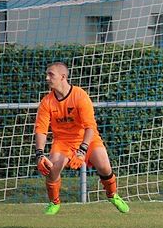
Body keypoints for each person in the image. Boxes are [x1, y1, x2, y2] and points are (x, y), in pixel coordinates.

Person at [34, 62, 129, 215]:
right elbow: (41, 130)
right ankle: (54, 202)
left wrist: (82, 150)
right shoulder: (46, 102)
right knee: (52, 169)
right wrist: (39, 154)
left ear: (63, 77)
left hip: (88, 138)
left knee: (105, 167)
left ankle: (112, 195)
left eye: (51, 74)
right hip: (63, 142)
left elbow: (90, 126)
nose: (47, 78)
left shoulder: (80, 95)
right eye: (47, 74)